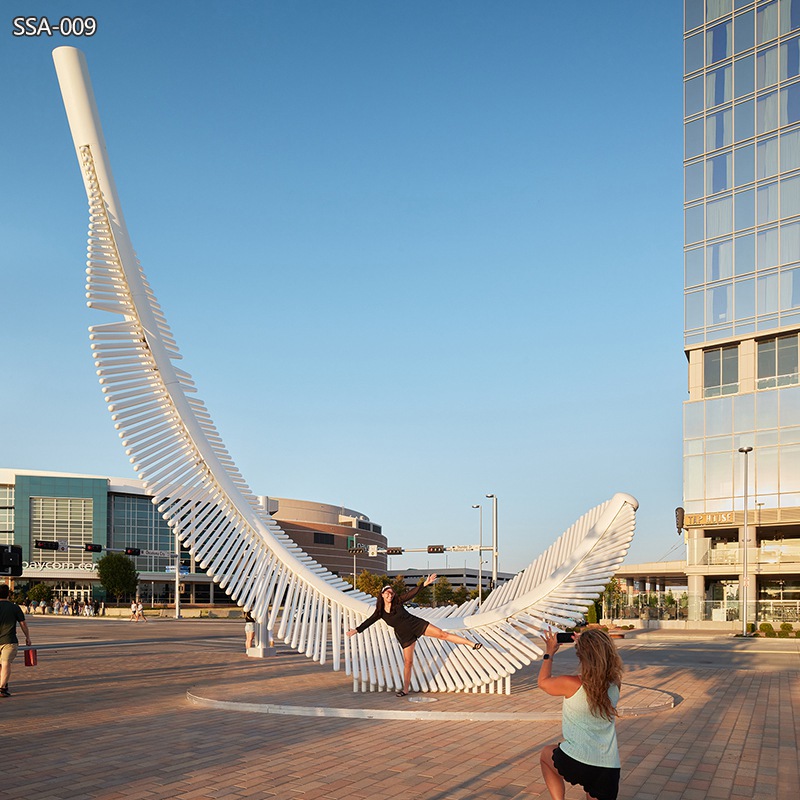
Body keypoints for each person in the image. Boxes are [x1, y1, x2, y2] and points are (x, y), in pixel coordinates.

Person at [346, 575, 482, 697]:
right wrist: (356, 630)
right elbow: (369, 621)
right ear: (382, 595)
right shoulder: (380, 612)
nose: (390, 596)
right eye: (387, 594)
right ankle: (405, 690)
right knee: (408, 663)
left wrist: (425, 583)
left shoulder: (398, 601)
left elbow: (411, 594)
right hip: (404, 636)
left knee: (443, 634)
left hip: (415, 624)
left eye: (391, 593)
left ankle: (471, 644)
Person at [537, 628, 623, 800]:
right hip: (608, 768)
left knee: (546, 754)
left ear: (581, 655)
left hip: (577, 761)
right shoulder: (615, 685)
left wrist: (549, 652)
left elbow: (543, 682)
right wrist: (586, 644)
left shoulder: (571, 683)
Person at [0, 583, 32, 698]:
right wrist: (27, 637)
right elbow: (23, 623)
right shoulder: (14, 607)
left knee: (1, 664)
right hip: (9, 640)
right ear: (8, 594)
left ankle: (3, 684)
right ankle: (2, 688)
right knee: (6, 663)